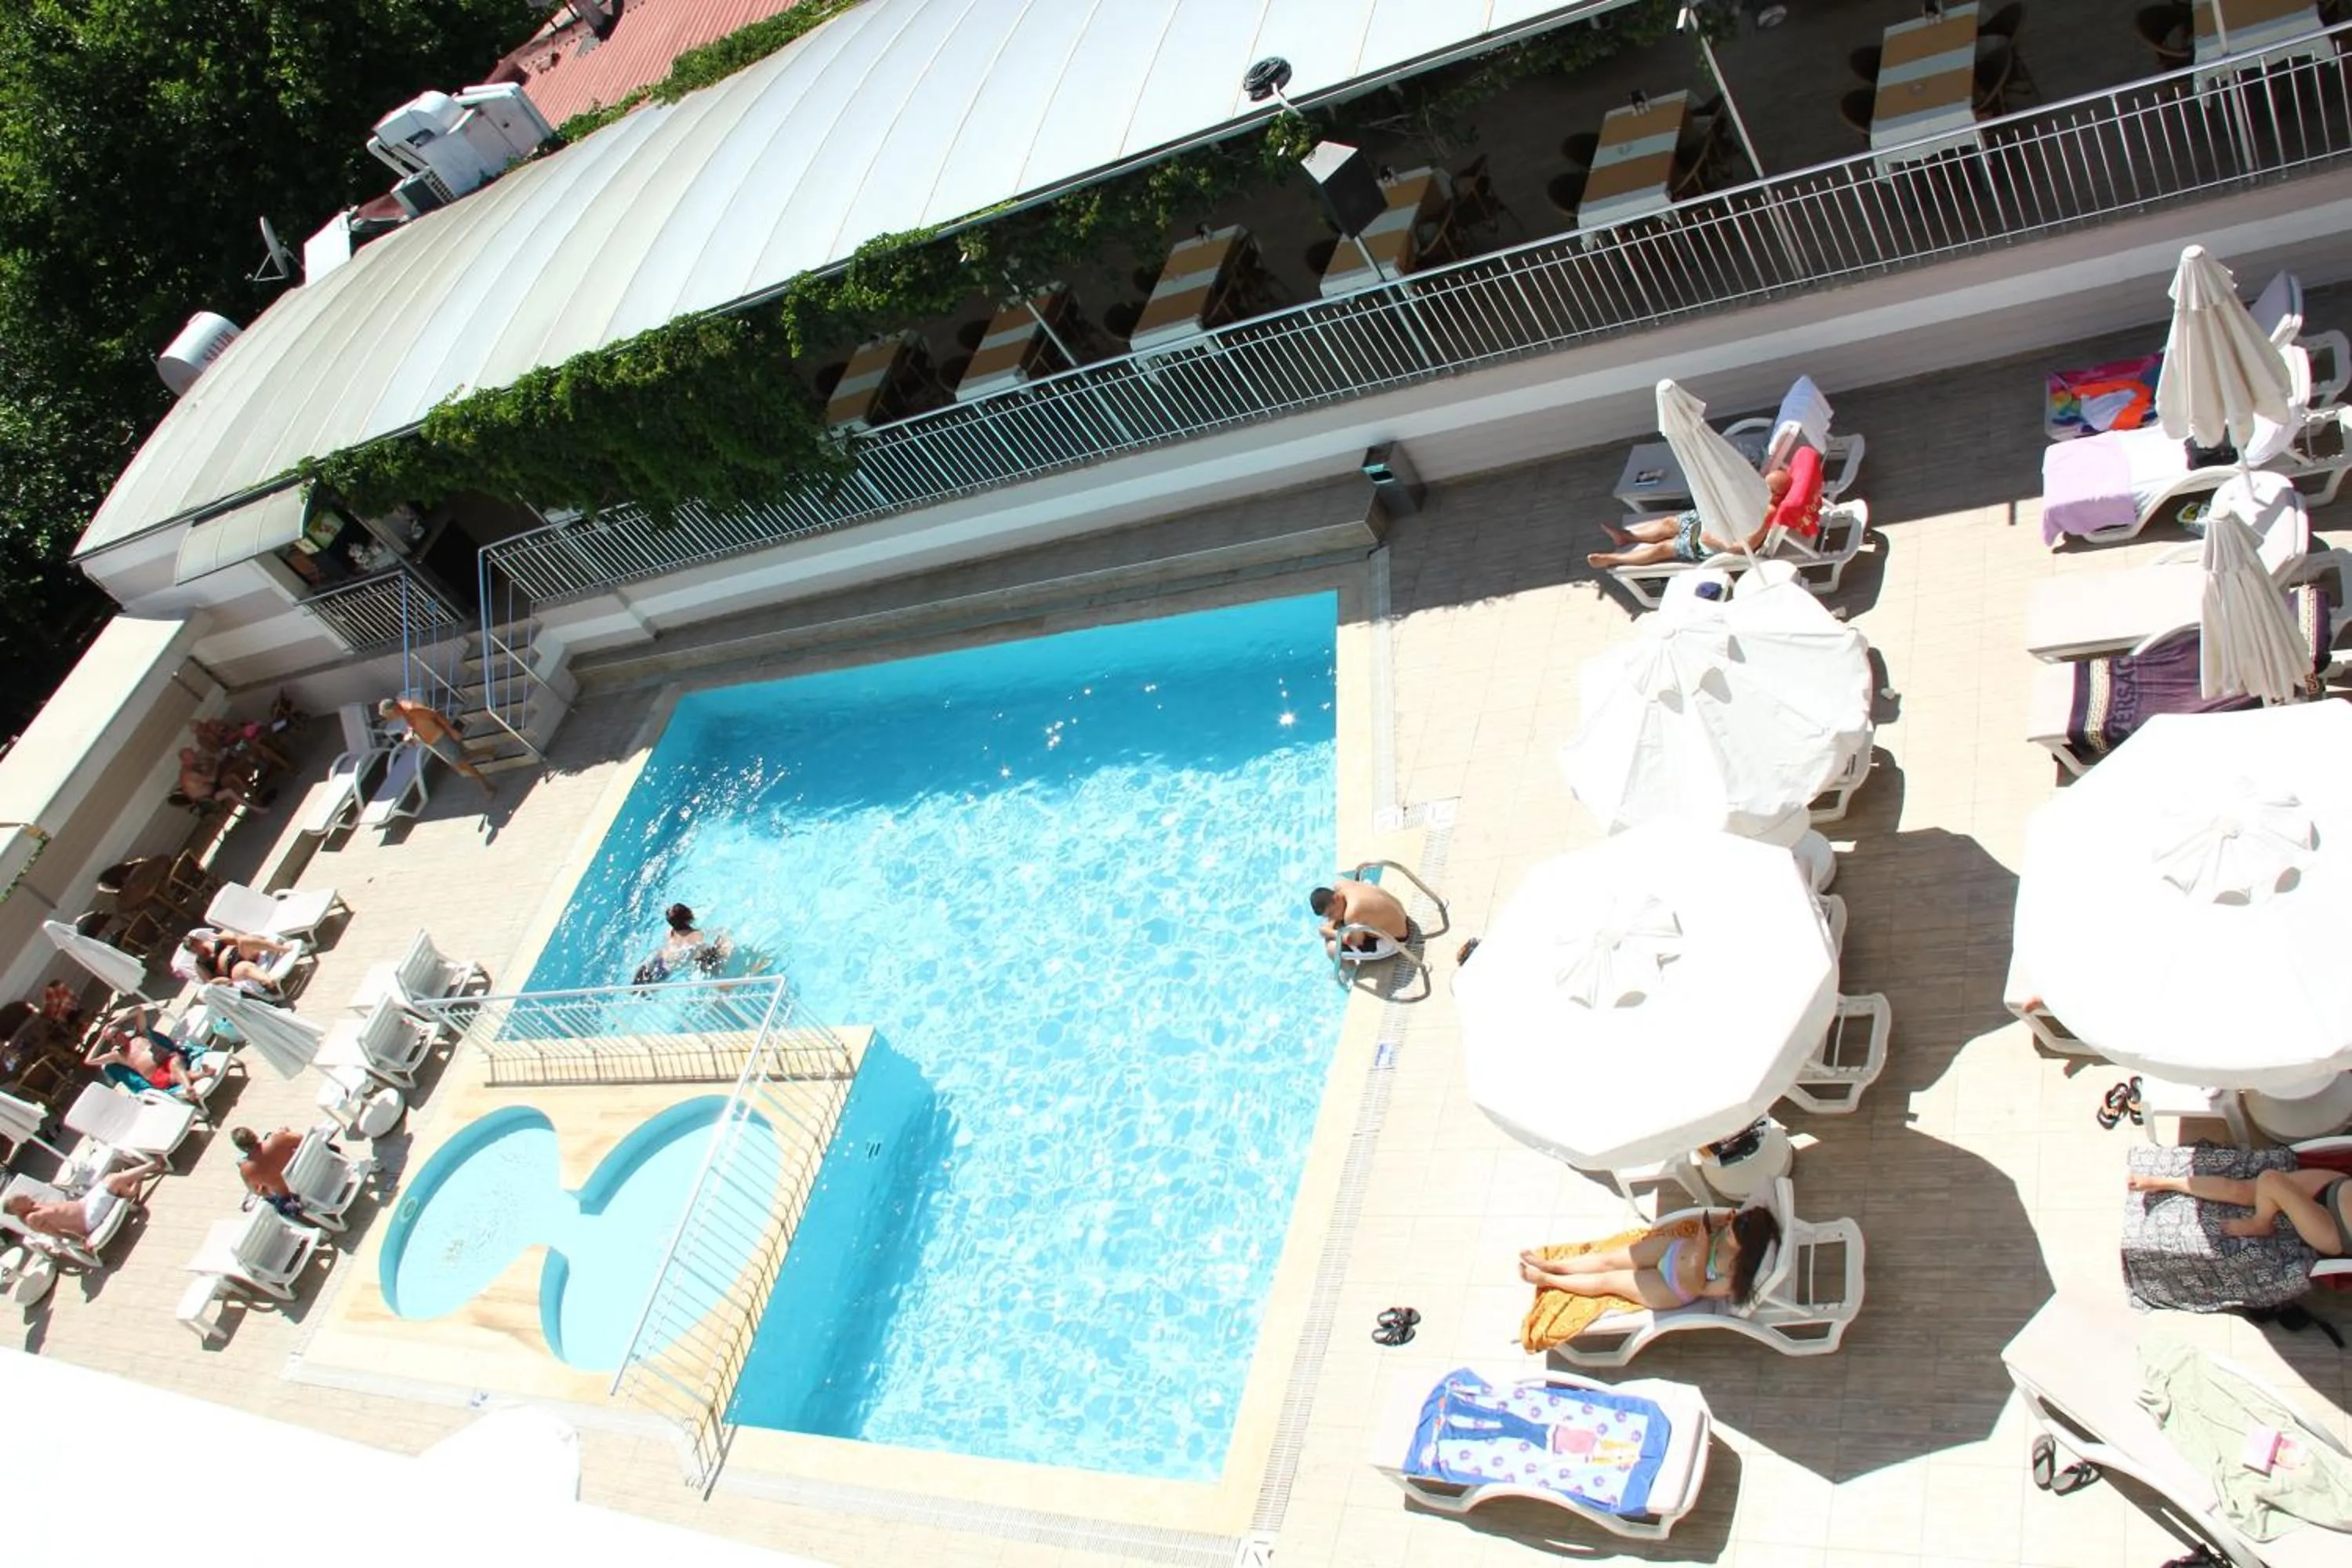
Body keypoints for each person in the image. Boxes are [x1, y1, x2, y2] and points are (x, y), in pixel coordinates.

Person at [1519, 1203, 1783, 1311]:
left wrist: (1703, 1250)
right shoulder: (1731, 1229)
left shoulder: (1733, 1277)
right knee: (1607, 1259)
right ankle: (1553, 1265)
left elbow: (1698, 1286)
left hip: (1671, 1287)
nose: (1727, 1230)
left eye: (1732, 1232)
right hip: (1672, 1250)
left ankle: (1546, 1279)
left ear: (1747, 1247)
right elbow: (1719, 1223)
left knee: (1607, 1281)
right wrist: (1716, 1221)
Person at [1585, 466, 1794, 571]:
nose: (1757, 484)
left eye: (1764, 485)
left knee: (1665, 548)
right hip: (1714, 521)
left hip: (1716, 541)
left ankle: (1613, 560)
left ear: (1775, 494)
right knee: (1670, 522)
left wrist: (1715, 541)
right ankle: (1628, 537)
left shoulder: (1768, 514)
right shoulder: (1758, 499)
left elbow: (1744, 548)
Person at [2130, 1166, 2352, 1254]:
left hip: (2336, 1232)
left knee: (2271, 1181)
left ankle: (2261, 1223)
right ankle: (2165, 1182)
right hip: (2338, 1188)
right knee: (2245, 1190)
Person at [4, 1156, 165, 1244]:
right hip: (88, 1218)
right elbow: (57, 1233)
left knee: (109, 1179)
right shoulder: (33, 1219)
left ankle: (130, 1193)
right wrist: (82, 1241)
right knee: (114, 1181)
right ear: (18, 1209)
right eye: (21, 1199)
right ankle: (153, 1165)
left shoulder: (33, 1208)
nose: (26, 1196)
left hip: (85, 1204)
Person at [84, 1004, 220, 1102]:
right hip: (156, 1076)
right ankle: (198, 1078)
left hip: (168, 1060)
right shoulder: (117, 1056)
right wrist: (102, 1037)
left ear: (120, 1031)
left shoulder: (139, 1034)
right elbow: (89, 1061)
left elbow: (139, 1010)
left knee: (176, 1063)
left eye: (116, 1033)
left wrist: (115, 1022)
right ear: (112, 1043)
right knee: (175, 1074)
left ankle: (190, 1087)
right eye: (112, 1038)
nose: (116, 1037)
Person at [378, 695, 495, 796]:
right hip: (434, 742)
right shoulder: (404, 711)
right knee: (464, 757)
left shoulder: (413, 709)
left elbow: (436, 715)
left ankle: (486, 786)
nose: (389, 719)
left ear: (395, 709)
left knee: (461, 765)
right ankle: (488, 751)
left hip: (441, 738)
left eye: (389, 716)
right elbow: (413, 724)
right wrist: (411, 733)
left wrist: (452, 731)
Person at [1308, 879, 1410, 960]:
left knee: (1331, 948)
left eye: (1331, 914)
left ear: (1336, 898)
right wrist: (1332, 923)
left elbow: (1357, 942)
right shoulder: (1341, 884)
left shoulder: (1352, 913)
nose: (1332, 918)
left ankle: (1347, 972)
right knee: (1343, 923)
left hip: (1397, 941)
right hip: (1401, 917)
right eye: (1328, 916)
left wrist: (1330, 932)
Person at [633, 903, 729, 985]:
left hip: (661, 960)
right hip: (672, 966)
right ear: (689, 917)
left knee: (645, 984)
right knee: (710, 954)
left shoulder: (670, 932)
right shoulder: (697, 935)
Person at [183, 927, 295, 995]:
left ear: (199, 942)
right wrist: (222, 980)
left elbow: (236, 938)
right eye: (192, 950)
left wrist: (224, 936)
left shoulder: (214, 941)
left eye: (195, 945)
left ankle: (281, 949)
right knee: (244, 967)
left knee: (243, 940)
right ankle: (269, 983)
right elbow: (208, 982)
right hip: (233, 970)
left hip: (243, 954)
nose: (196, 950)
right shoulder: (199, 964)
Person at [231, 1127, 303, 1209]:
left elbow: (258, 1191)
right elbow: (304, 1141)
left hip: (293, 1193)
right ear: (254, 1135)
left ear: (241, 1148)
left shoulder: (246, 1170)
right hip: (308, 1170)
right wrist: (285, 1134)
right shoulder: (278, 1138)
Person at [176, 746, 256, 808]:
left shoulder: (189, 765)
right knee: (230, 783)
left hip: (212, 787)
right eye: (191, 756)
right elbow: (212, 778)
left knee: (229, 769)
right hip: (207, 798)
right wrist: (216, 763)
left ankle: (251, 790)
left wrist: (211, 762)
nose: (194, 756)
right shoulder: (189, 774)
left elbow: (206, 766)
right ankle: (255, 807)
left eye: (193, 753)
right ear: (185, 760)